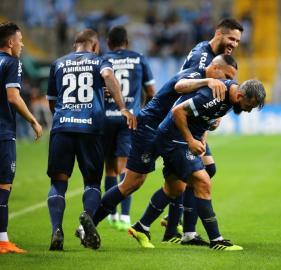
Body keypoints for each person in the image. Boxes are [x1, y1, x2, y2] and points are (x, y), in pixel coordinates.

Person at [82, 54, 237, 248]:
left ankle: (143, 227)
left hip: (170, 133)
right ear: (214, 68)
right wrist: (209, 80)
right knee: (131, 183)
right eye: (226, 75)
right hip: (150, 127)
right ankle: (89, 225)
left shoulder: (214, 87)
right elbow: (179, 87)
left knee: (178, 186)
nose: (227, 81)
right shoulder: (195, 74)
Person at [129, 79, 265, 251]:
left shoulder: (231, 96)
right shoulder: (214, 96)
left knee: (175, 188)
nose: (248, 110)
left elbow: (204, 115)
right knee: (203, 181)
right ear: (240, 95)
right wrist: (190, 140)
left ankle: (141, 227)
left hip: (176, 138)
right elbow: (178, 111)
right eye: (249, 105)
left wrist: (210, 124)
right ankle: (216, 240)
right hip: (174, 139)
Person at [46, 29, 135, 251]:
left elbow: (52, 102)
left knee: (58, 182)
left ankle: (56, 229)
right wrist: (123, 107)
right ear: (95, 46)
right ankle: (87, 216)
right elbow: (107, 76)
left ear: (75, 45)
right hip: (91, 129)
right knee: (92, 182)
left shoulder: (58, 63)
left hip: (62, 128)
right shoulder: (100, 61)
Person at [161, 18, 244, 245]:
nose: (234, 44)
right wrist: (207, 86)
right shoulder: (202, 57)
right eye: (231, 38)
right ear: (219, 33)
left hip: (194, 121)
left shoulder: (212, 56)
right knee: (188, 176)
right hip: (180, 121)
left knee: (202, 171)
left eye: (237, 40)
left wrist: (209, 116)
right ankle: (176, 225)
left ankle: (179, 226)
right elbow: (181, 88)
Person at [102, 26, 155, 231]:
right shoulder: (139, 58)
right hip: (129, 118)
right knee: (125, 167)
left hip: (106, 118)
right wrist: (143, 110)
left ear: (108, 43)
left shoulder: (103, 59)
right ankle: (124, 216)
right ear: (127, 42)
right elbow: (151, 91)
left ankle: (110, 214)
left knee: (109, 168)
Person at [0, 22, 43, 254]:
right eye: (20, 40)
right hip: (3, 133)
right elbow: (13, 97)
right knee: (3, 185)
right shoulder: (11, 62)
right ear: (10, 43)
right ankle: (3, 239)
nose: (23, 44)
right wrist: (33, 120)